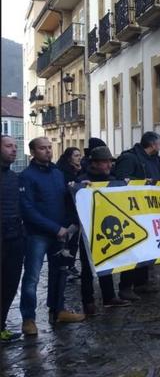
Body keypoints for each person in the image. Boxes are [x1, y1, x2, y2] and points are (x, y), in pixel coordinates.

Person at [20, 137, 85, 335]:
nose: (48, 151)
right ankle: (28, 319)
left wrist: (81, 188)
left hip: (61, 233)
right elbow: (27, 208)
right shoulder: (26, 176)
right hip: (38, 235)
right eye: (43, 148)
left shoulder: (57, 174)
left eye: (49, 148)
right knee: (32, 277)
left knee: (60, 273)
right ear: (33, 151)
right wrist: (54, 228)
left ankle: (58, 309)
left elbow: (65, 199)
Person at [74, 146, 132, 312]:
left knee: (107, 262)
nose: (108, 165)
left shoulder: (112, 179)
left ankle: (109, 297)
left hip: (107, 226)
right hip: (88, 230)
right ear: (94, 163)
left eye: (109, 162)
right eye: (105, 162)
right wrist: (79, 187)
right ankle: (88, 301)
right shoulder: (83, 179)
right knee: (87, 267)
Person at [113, 131, 160, 300]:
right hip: (131, 212)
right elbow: (121, 180)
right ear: (153, 145)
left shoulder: (155, 159)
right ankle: (125, 287)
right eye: (159, 144)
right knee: (132, 249)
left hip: (149, 210)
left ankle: (141, 283)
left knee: (145, 248)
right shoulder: (129, 158)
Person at [1, 135, 24, 341]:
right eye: (9, 146)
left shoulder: (15, 177)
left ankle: (1, 326)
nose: (14, 150)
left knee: (10, 284)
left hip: (15, 237)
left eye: (15, 147)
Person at [57, 147, 84, 279]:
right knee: (67, 240)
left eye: (80, 155)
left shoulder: (78, 170)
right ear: (69, 158)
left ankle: (70, 265)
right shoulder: (62, 172)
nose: (79, 158)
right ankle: (65, 266)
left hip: (76, 212)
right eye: (76, 156)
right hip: (68, 213)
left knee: (74, 241)